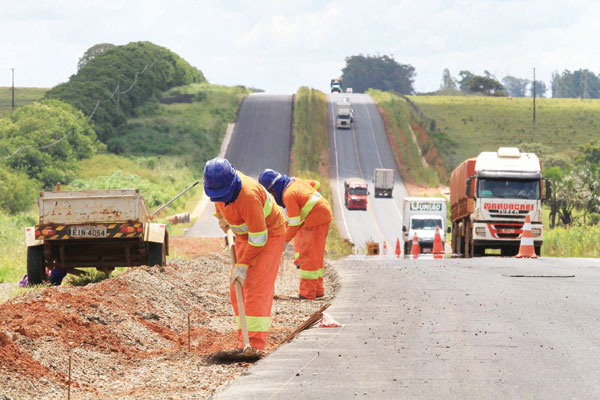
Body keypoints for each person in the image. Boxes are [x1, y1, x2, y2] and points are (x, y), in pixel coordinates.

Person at [204, 157, 286, 351]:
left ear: (232, 184)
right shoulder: (218, 187)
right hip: (243, 237)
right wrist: (222, 219)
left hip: (269, 235)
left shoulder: (248, 195)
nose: (220, 198)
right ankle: (244, 341)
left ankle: (255, 345)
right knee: (237, 288)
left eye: (223, 194)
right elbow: (219, 204)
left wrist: (243, 265)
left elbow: (259, 238)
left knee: (255, 288)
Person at [258, 169, 332, 300]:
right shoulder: (294, 182)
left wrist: (284, 242)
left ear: (273, 190)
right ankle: (318, 290)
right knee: (315, 254)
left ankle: (307, 293)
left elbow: (293, 224)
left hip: (316, 218)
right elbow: (315, 184)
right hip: (321, 214)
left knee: (308, 255)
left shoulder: (288, 195)